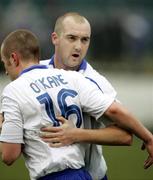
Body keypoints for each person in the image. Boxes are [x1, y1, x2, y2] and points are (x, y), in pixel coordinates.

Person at [1, 30, 153, 180]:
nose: (6, 72)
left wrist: (6, 129)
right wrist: (148, 138)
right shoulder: (72, 77)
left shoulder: (13, 91)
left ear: (14, 58)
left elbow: (9, 155)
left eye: (4, 63)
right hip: (82, 173)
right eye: (72, 38)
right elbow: (116, 112)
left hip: (55, 174)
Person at [39, 12, 133, 179]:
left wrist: (76, 134)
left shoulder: (96, 82)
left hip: (89, 175)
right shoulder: (36, 72)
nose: (78, 46)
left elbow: (125, 135)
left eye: (85, 40)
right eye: (72, 38)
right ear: (55, 38)